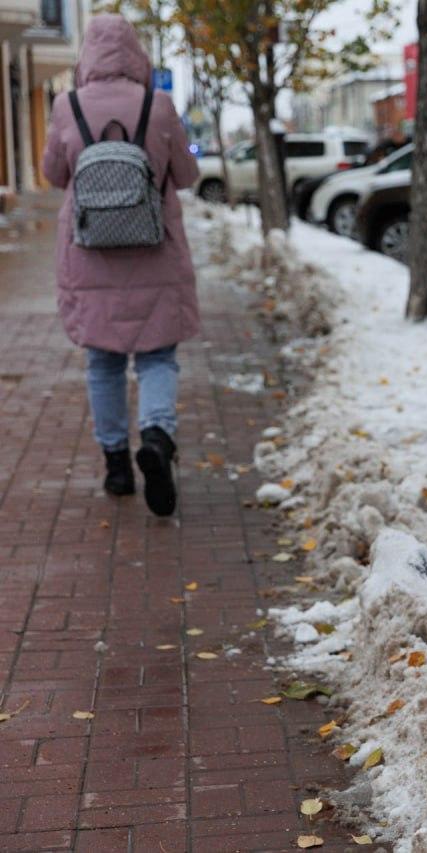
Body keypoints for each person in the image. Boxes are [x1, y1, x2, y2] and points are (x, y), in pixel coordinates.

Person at [41, 14, 199, 517]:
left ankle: (115, 465)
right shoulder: (160, 104)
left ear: (87, 54)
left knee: (103, 363)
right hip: (155, 249)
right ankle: (155, 435)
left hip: (90, 255)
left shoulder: (67, 106)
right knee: (157, 357)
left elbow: (53, 174)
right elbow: (188, 175)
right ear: (136, 54)